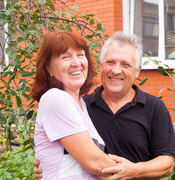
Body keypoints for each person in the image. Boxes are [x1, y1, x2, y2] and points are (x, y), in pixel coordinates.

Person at [34, 31, 175, 179]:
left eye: (125, 64)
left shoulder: (154, 107)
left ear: (137, 71)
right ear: (100, 65)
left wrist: (134, 170)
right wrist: (49, 165)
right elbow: (92, 161)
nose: (116, 70)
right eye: (110, 62)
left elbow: (167, 164)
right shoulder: (84, 105)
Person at [31, 31, 117, 179]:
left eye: (80, 55)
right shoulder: (55, 98)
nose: (76, 63)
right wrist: (132, 172)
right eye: (65, 57)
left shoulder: (82, 104)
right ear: (49, 69)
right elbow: (96, 162)